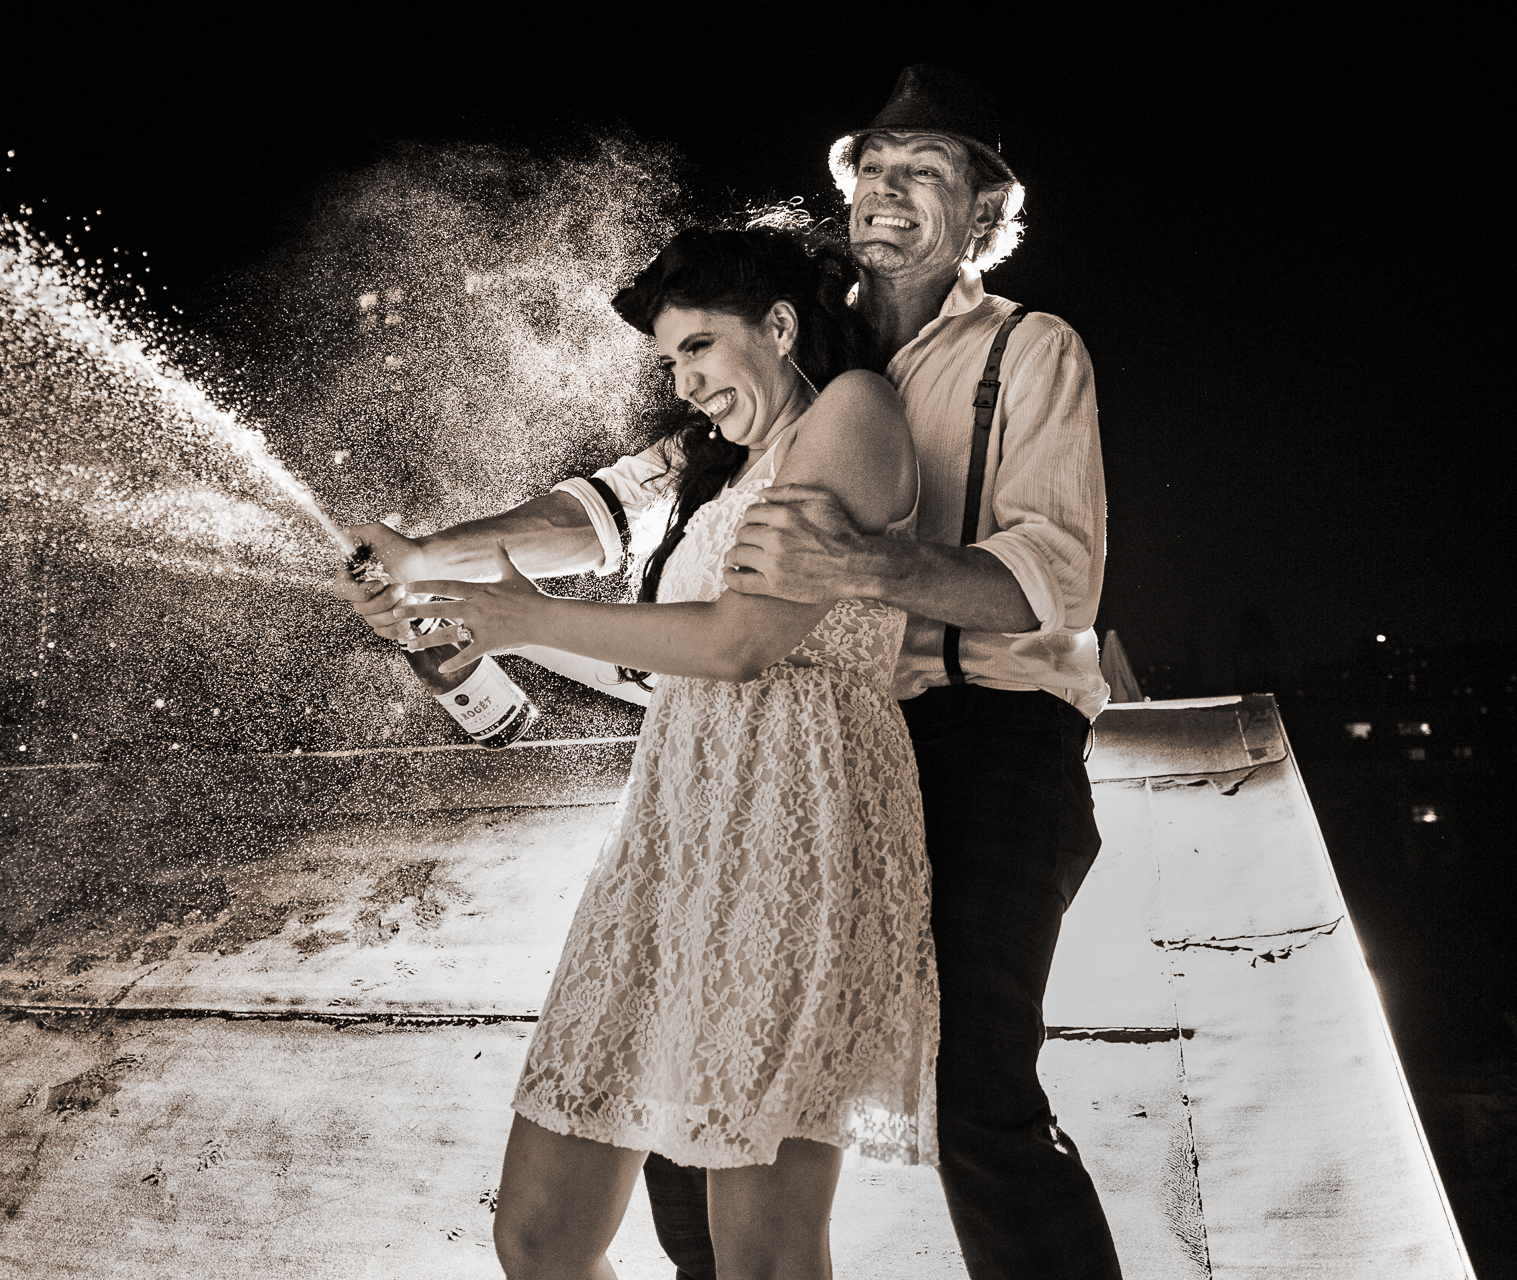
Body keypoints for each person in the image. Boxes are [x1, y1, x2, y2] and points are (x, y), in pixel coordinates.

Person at [337, 65, 1121, 1280]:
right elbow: (612, 506)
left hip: (988, 731)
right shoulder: (790, 355)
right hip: (797, 752)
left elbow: (1054, 582)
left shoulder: (1023, 349)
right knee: (677, 1127)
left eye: (923, 172)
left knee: (972, 1088)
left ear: (984, 211)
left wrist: (864, 565)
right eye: (869, 168)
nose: (884, 190)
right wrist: (430, 557)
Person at [341, 224, 936, 1280]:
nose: (685, 380)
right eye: (670, 361)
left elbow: (741, 642)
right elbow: (612, 566)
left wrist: (521, 618)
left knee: (761, 1253)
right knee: (540, 1235)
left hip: (795, 831)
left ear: (780, 326)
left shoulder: (852, 412)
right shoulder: (718, 471)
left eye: (699, 346)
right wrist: (441, 575)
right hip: (669, 838)